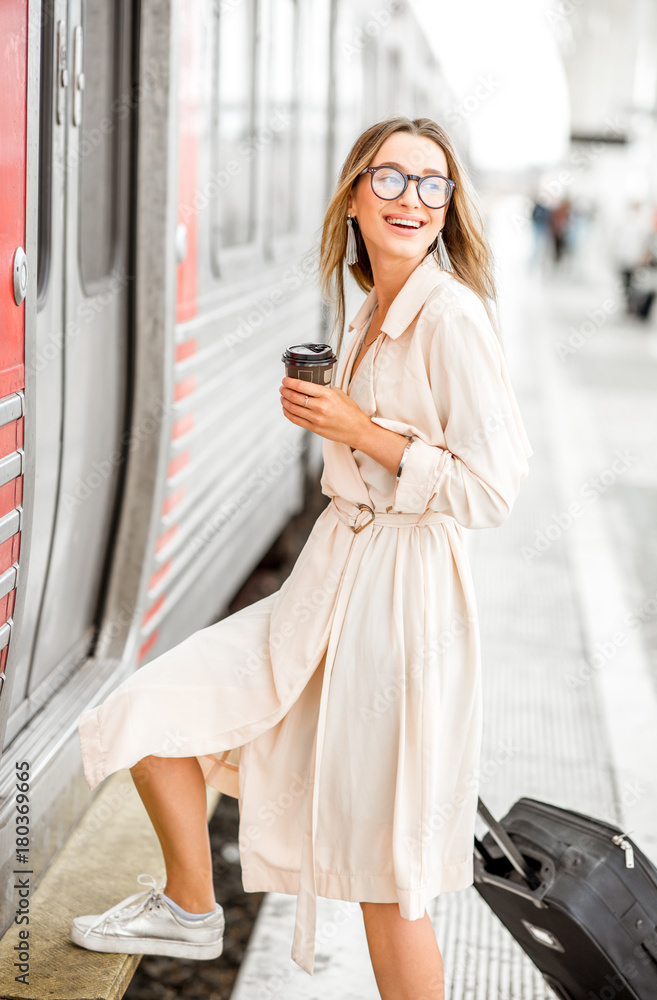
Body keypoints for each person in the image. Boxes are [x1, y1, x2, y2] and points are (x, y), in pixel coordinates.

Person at [70, 116, 533, 997]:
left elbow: (493, 488)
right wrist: (338, 430)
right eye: (390, 179)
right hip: (330, 584)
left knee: (389, 883)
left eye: (432, 184)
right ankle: (190, 906)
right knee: (154, 707)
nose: (412, 198)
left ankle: (193, 908)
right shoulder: (368, 307)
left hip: (404, 607)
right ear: (355, 193)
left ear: (449, 207)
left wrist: (363, 431)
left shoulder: (452, 317)